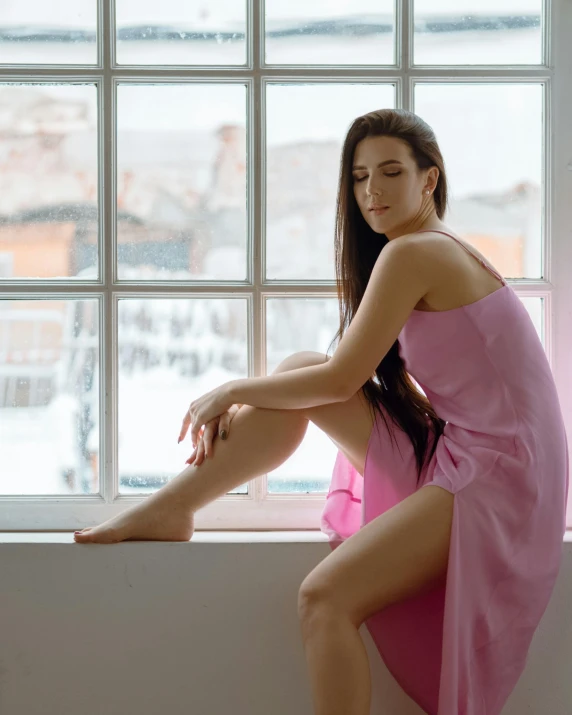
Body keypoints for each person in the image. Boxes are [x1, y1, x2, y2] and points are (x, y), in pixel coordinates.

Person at [73, 108, 569, 715]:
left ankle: (173, 507)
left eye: (391, 172)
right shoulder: (421, 251)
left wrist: (232, 390)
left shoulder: (417, 253)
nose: (372, 191)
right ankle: (175, 507)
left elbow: (342, 379)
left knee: (324, 597)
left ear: (429, 180)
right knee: (297, 366)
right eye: (360, 177)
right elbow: (337, 378)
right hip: (465, 450)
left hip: (501, 475)